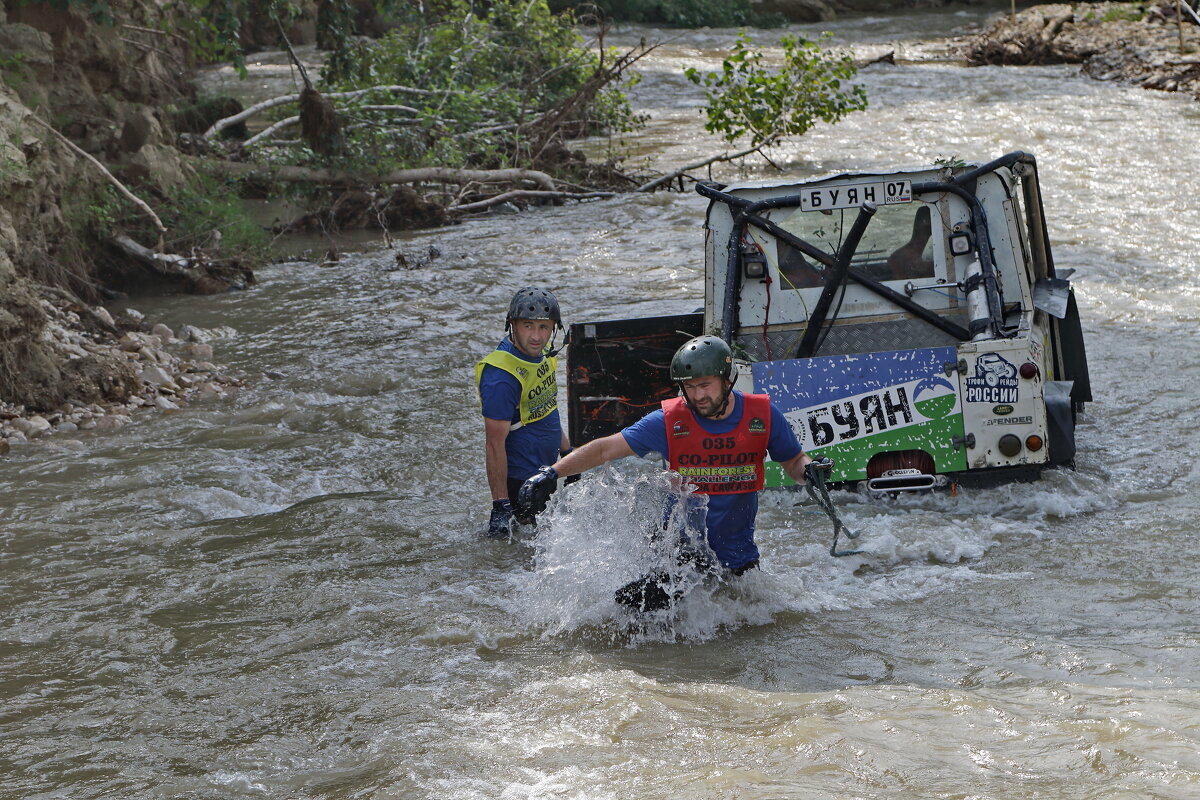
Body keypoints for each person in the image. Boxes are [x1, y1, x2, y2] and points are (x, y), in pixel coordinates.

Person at [519, 334, 823, 610]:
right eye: (690, 387)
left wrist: (810, 472)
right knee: (626, 613)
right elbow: (604, 449)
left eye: (705, 385)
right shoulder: (669, 421)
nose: (698, 395)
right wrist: (551, 473)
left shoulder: (763, 415)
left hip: (738, 558)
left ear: (727, 379)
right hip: (680, 556)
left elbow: (794, 462)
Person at [476, 287, 574, 537]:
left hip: (546, 471)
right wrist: (500, 505)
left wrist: (568, 454)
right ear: (513, 325)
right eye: (528, 326)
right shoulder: (501, 376)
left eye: (544, 327)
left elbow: (546, 406)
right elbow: (494, 444)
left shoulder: (541, 354)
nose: (536, 336)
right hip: (521, 482)